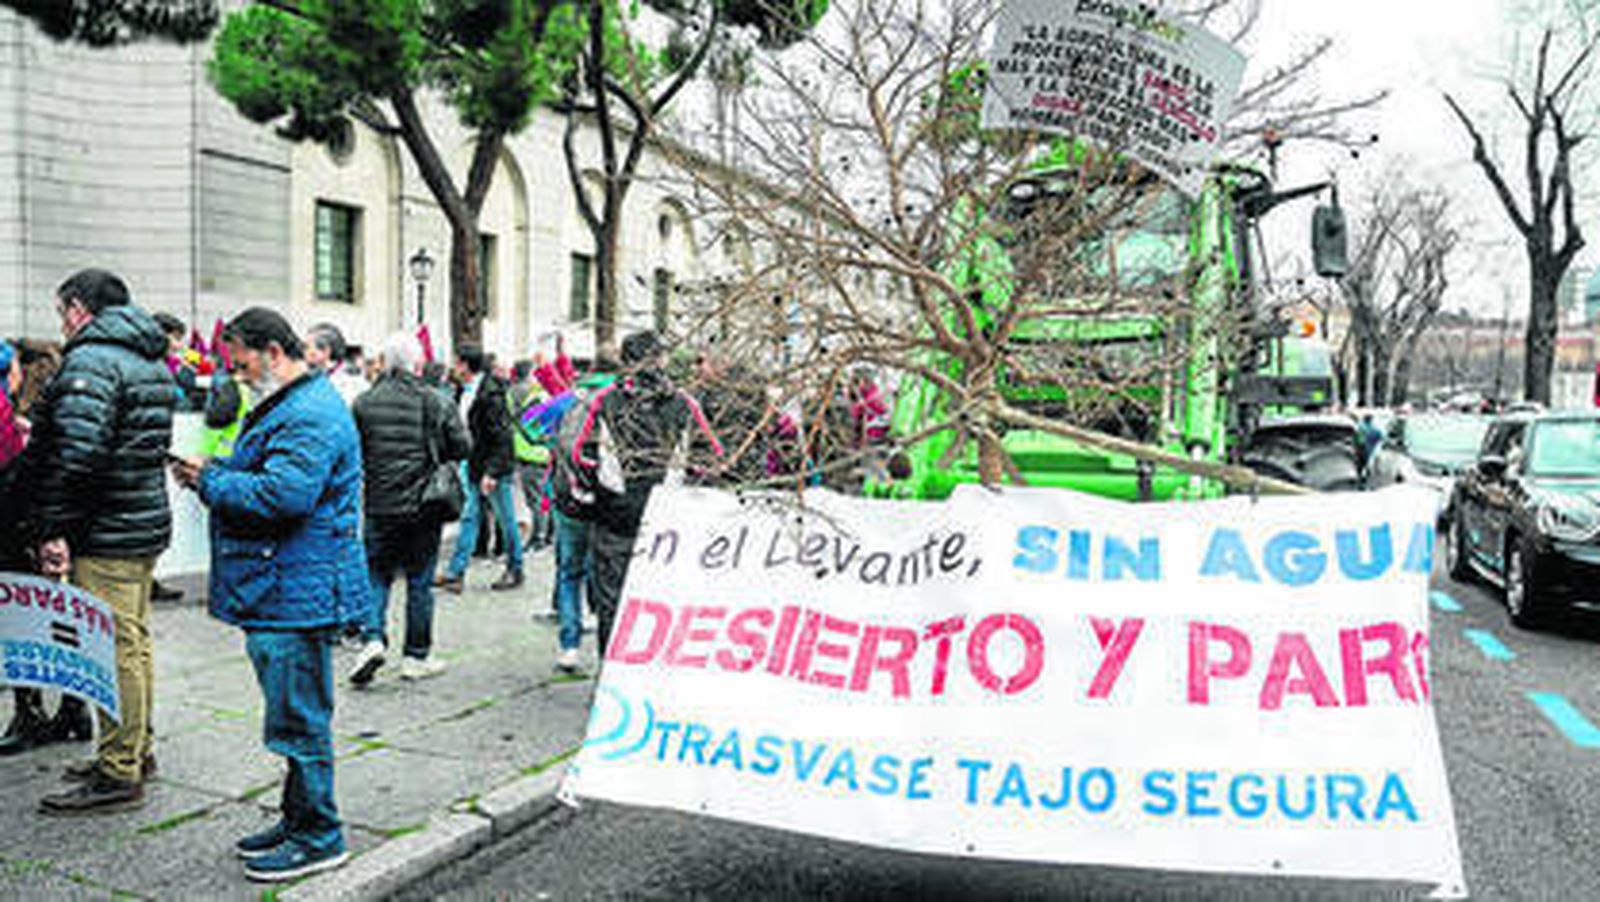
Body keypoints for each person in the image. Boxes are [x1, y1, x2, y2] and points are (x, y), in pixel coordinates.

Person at [170, 308, 366, 882]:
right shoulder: (295, 402)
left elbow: (284, 496)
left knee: (299, 719)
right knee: (292, 714)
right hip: (285, 584)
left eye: (243, 362)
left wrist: (209, 479)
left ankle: (320, 836)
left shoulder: (309, 412)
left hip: (295, 590)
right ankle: (297, 818)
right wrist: (219, 468)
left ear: (274, 353)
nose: (238, 374)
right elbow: (271, 475)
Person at [27, 269, 177, 815]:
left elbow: (77, 457)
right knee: (132, 643)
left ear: (77, 308)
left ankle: (119, 770)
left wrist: (53, 529)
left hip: (107, 528)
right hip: (139, 521)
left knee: (116, 648)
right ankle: (136, 750)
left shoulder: (92, 359)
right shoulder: (148, 357)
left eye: (61, 312)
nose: (61, 325)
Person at [577, 331, 721, 651]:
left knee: (613, 604)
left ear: (625, 362)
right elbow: (713, 458)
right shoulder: (685, 403)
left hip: (616, 518)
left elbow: (580, 456)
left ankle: (610, 680)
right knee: (661, 604)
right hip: (668, 524)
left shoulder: (605, 401)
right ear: (661, 360)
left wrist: (598, 494)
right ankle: (649, 679)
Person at [348, 332, 469, 686]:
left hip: (379, 504)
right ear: (417, 364)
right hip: (423, 505)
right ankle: (416, 657)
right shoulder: (436, 400)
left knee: (377, 575)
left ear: (384, 363)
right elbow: (462, 446)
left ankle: (372, 639)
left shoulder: (364, 403)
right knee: (419, 580)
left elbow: (354, 453)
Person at [437, 344, 523, 592]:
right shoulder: (465, 391)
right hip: (473, 464)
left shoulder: (490, 394)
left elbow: (502, 437)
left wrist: (493, 472)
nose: (453, 367)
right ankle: (456, 573)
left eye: (456, 362)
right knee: (469, 517)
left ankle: (515, 569)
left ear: (464, 365)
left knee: (506, 520)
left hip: (493, 469)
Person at [509, 360, 554, 553]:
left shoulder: (511, 393)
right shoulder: (541, 393)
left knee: (535, 500)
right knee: (545, 498)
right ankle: (548, 535)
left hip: (525, 452)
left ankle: (538, 538)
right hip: (544, 450)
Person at [306, 323, 368, 406]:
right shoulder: (320, 374)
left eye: (307, 347)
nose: (304, 352)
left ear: (325, 351)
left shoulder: (350, 383)